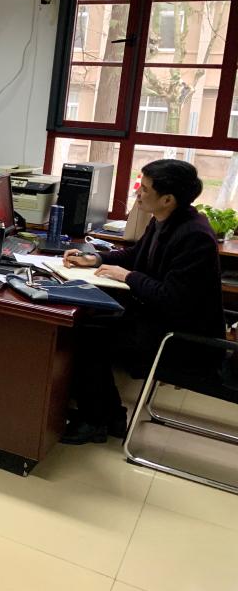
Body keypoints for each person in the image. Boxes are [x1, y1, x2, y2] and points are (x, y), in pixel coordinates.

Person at [60, 158, 224, 444]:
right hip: (157, 321)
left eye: (145, 189)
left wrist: (129, 277)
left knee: (88, 338)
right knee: (87, 325)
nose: (138, 193)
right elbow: (137, 255)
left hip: (182, 340)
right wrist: (95, 258)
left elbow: (171, 297)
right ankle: (109, 416)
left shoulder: (194, 236)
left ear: (168, 199)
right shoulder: (165, 220)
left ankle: (95, 421)